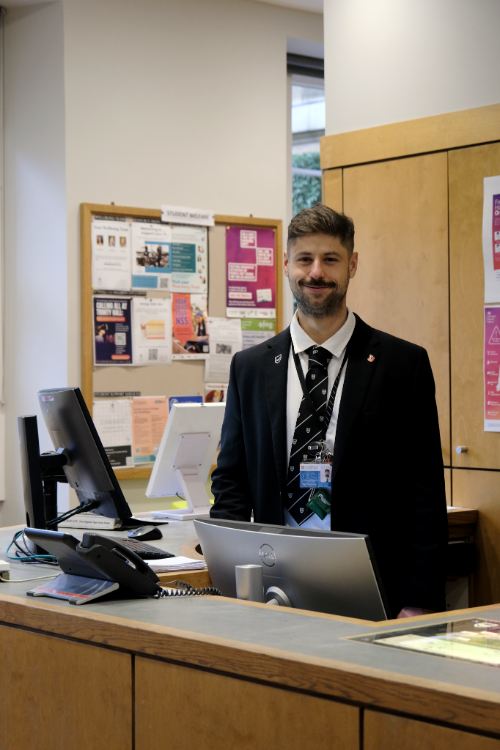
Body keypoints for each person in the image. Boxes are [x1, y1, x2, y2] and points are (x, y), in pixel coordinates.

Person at [211, 203, 448, 619]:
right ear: (286, 265)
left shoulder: (401, 365)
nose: (316, 272)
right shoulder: (251, 368)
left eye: (330, 259)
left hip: (374, 586)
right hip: (274, 583)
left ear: (352, 264)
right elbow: (232, 481)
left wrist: (421, 599)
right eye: (304, 259)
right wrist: (226, 580)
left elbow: (424, 493)